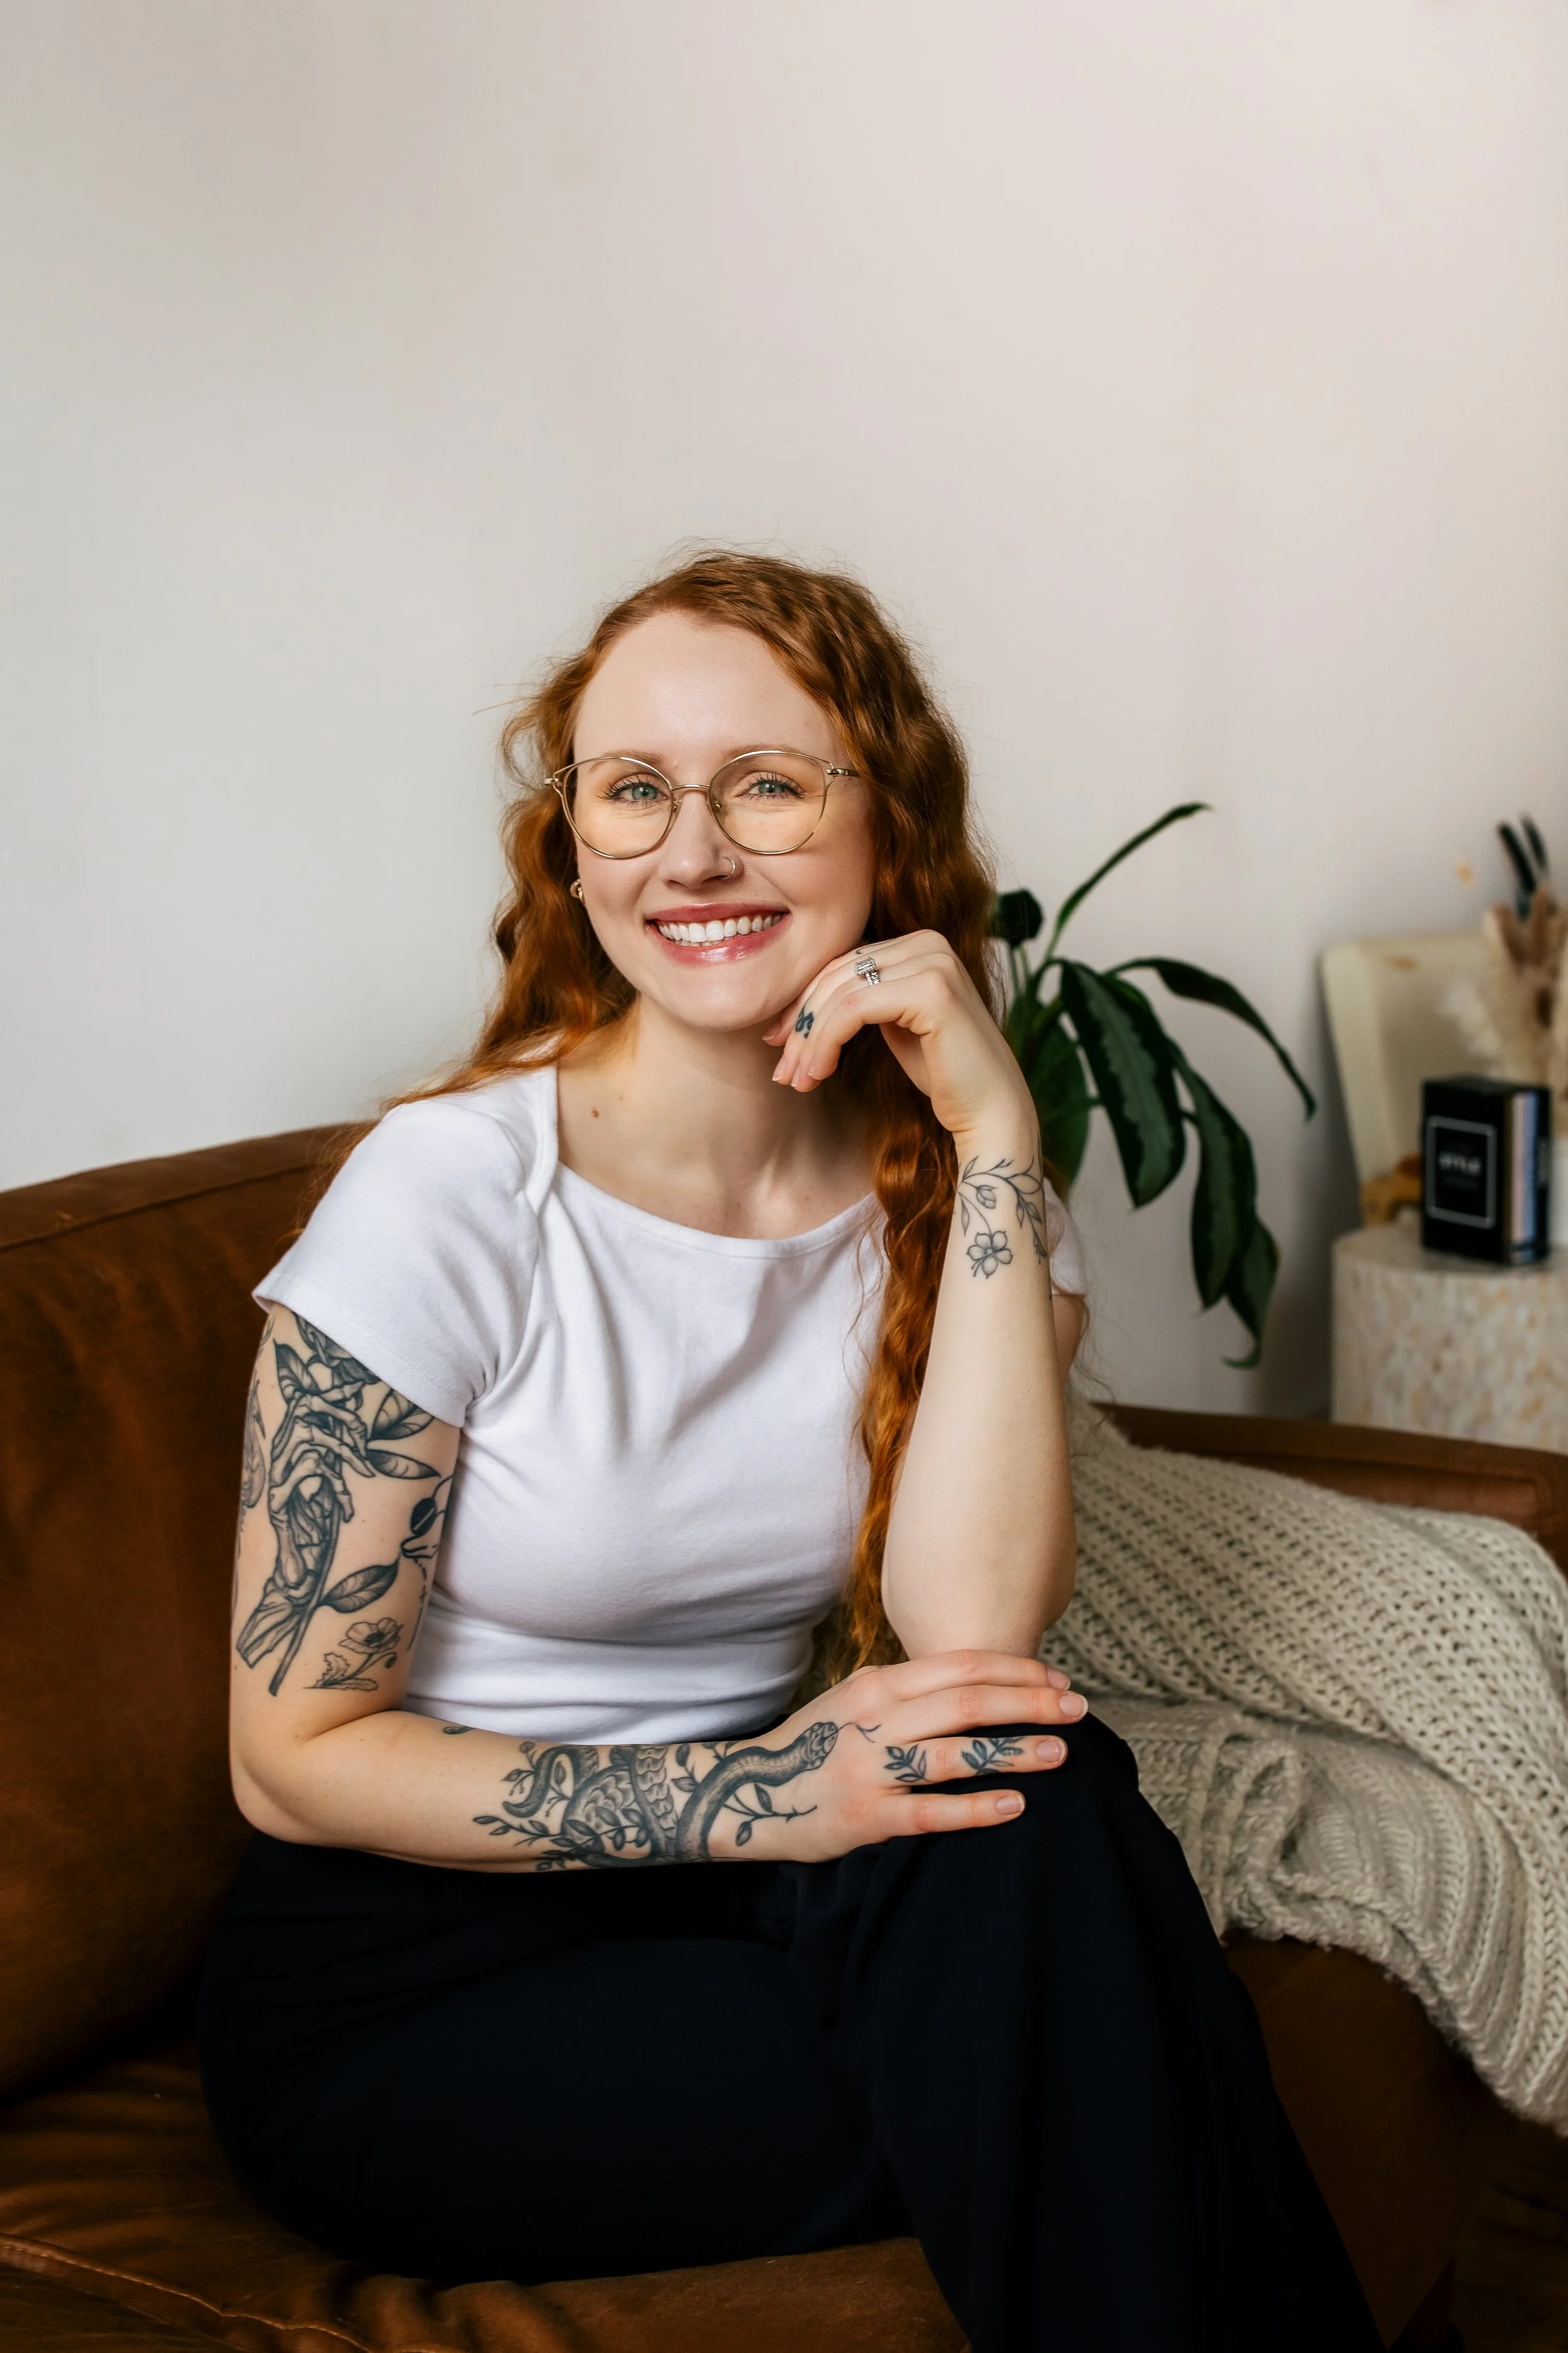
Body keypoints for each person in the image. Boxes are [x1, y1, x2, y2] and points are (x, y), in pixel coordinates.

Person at [199, 551, 1379, 2351]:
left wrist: (997, 1134)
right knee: (1088, 2054)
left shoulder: (952, 1186)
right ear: (573, 844)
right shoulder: (453, 1194)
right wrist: (756, 1798)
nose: (692, 853)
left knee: (1024, 1791)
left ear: (884, 821)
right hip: (413, 1973)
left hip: (748, 1899)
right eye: (633, 791)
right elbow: (291, 1762)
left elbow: (972, 1630)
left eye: (764, 783)